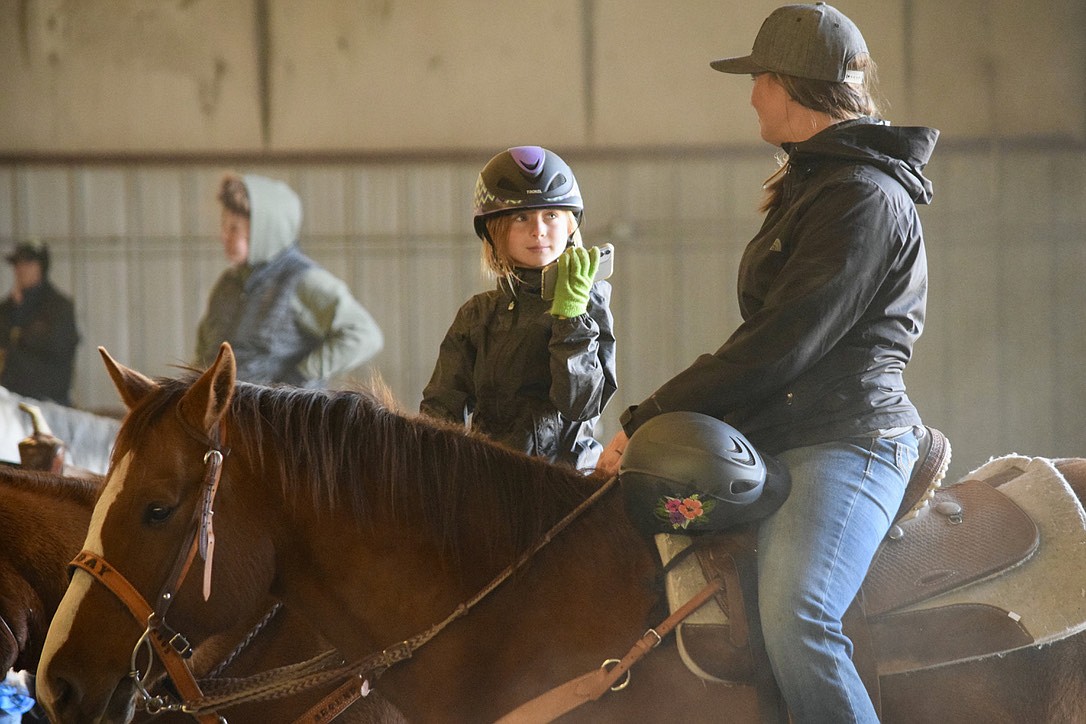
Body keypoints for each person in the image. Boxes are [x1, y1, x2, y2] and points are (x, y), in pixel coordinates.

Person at [597, 4, 939, 722]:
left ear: (794, 88)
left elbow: (785, 338)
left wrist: (649, 417)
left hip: (850, 439)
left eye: (761, 79)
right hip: (786, 433)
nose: (752, 95)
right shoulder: (815, 184)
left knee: (798, 618)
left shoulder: (863, 197)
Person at [421, 146, 617, 471]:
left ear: (570, 225)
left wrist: (571, 315)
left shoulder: (590, 304)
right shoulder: (477, 315)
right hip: (490, 484)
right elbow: (440, 410)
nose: (538, 229)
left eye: (551, 215)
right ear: (493, 231)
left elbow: (580, 404)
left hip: (567, 484)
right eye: (520, 217)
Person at [195, 173, 384, 388]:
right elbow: (203, 349)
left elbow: (364, 335)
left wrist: (303, 374)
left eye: (234, 228)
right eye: (223, 225)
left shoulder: (303, 282)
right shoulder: (227, 285)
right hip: (223, 417)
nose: (223, 236)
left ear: (263, 231)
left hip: (279, 418)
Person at [0, 240, 79, 405]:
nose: (20, 269)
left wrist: (20, 328)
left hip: (49, 401)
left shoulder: (58, 308)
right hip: (12, 400)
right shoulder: (7, 308)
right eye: (17, 264)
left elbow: (56, 346)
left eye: (28, 263)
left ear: (41, 267)